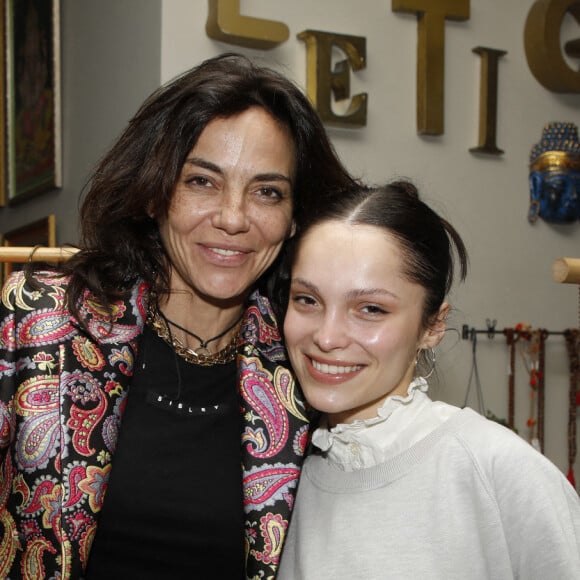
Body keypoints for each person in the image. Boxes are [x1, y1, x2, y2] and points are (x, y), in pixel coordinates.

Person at [0, 53, 357, 579]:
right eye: (201, 182)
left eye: (267, 192)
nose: (234, 219)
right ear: (154, 192)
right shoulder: (40, 323)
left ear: (294, 218)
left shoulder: (308, 368)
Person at [277, 180, 580, 579]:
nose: (327, 337)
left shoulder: (499, 471)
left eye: (370, 308)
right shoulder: (278, 479)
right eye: (307, 300)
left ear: (433, 326)